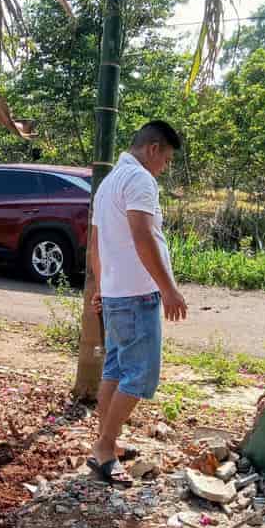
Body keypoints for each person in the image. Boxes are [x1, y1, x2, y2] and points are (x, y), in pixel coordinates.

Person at [88, 120, 188, 482]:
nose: (166, 167)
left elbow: (95, 244)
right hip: (137, 295)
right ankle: (104, 448)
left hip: (117, 294)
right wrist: (168, 288)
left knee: (115, 370)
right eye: (167, 159)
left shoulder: (108, 184)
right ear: (153, 149)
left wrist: (102, 285)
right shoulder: (140, 180)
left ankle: (106, 442)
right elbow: (143, 235)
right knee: (141, 374)